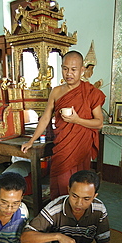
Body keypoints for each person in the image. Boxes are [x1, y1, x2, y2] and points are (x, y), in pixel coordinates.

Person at [21, 50, 106, 200]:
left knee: (79, 183)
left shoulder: (90, 92)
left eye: (73, 69)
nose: (69, 73)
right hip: (63, 145)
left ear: (82, 70)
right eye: (65, 69)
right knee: (61, 182)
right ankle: (59, 215)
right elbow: (46, 118)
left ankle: (77, 216)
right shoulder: (56, 91)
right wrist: (32, 140)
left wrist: (77, 120)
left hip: (81, 147)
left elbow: (99, 123)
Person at [21, 170, 110, 243]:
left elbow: (103, 240)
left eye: (86, 199)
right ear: (68, 190)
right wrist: (58, 236)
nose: (79, 203)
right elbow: (25, 236)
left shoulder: (99, 209)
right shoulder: (55, 208)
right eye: (75, 196)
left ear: (94, 196)